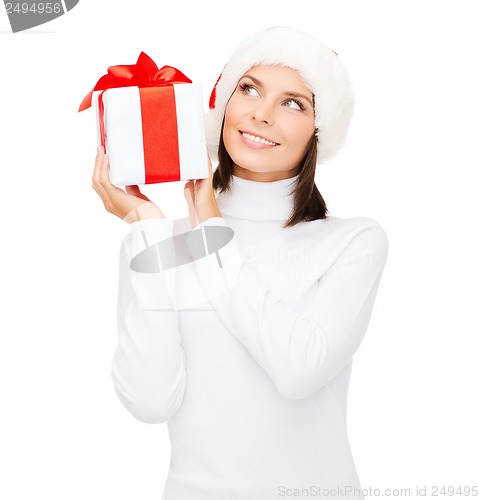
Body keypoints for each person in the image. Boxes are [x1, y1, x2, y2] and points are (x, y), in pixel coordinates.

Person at [92, 26, 389, 500]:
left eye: (293, 103)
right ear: (223, 106)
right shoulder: (158, 243)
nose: (262, 114)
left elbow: (297, 370)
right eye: (248, 89)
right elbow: (149, 400)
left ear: (318, 130)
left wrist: (211, 230)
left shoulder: (352, 241)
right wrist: (145, 226)